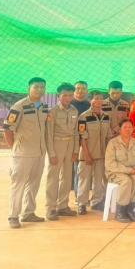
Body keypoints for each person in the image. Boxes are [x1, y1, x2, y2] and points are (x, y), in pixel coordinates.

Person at [4, 77, 50, 228]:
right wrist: (14, 148)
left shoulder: (44, 107)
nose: (39, 90)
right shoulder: (19, 106)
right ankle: (13, 216)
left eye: (42, 87)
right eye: (36, 87)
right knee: (18, 184)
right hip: (23, 153)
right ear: (28, 88)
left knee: (34, 184)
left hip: (40, 152)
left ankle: (28, 212)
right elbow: (8, 128)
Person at [45, 83, 79, 221]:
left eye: (70, 95)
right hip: (57, 144)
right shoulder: (53, 112)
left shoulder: (74, 110)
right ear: (58, 95)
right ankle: (51, 208)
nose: (68, 98)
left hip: (70, 145)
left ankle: (63, 206)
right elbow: (48, 134)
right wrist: (51, 153)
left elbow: (76, 132)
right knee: (53, 177)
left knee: (67, 177)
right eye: (65, 95)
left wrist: (75, 150)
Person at [105, 118, 135, 223]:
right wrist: (129, 170)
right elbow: (110, 164)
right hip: (116, 172)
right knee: (126, 181)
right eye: (125, 127)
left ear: (133, 129)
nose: (128, 129)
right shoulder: (113, 143)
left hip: (134, 171)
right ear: (120, 129)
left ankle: (130, 209)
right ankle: (120, 211)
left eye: (130, 127)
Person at [76, 90, 112, 215]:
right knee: (84, 179)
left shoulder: (106, 116)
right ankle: (81, 204)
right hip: (87, 154)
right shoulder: (83, 116)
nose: (98, 101)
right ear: (90, 100)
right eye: (96, 98)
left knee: (98, 180)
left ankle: (96, 202)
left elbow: (108, 136)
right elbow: (82, 136)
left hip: (101, 154)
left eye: (101, 98)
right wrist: (86, 154)